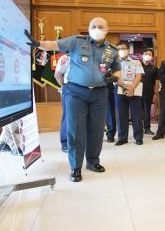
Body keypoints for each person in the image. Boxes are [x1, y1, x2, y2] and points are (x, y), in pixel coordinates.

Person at [25, 17, 121, 182]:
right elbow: (54, 45)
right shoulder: (77, 41)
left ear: (107, 29)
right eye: (93, 26)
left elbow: (117, 70)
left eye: (100, 26)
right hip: (76, 92)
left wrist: (114, 77)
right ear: (89, 28)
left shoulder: (112, 50)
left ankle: (92, 162)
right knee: (76, 129)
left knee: (97, 130)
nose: (96, 28)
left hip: (99, 93)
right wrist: (38, 43)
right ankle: (76, 167)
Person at [114, 43, 145, 146]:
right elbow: (114, 77)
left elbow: (139, 75)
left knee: (136, 114)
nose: (121, 50)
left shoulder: (136, 62)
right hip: (119, 89)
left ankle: (139, 137)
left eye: (123, 48)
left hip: (134, 90)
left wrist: (132, 87)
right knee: (121, 114)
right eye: (119, 49)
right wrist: (125, 87)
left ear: (128, 50)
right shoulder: (114, 63)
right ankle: (122, 138)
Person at [54, 53, 70, 152]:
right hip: (69, 89)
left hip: (84, 91)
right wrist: (64, 86)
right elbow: (57, 74)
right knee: (67, 116)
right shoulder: (66, 57)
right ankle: (65, 143)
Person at [141, 48, 158, 135]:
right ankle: (139, 128)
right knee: (138, 111)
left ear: (152, 57)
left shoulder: (154, 67)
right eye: (146, 53)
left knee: (147, 111)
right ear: (142, 55)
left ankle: (147, 128)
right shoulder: (137, 65)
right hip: (137, 92)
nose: (148, 55)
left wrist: (155, 93)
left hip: (149, 92)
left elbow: (156, 81)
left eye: (150, 54)